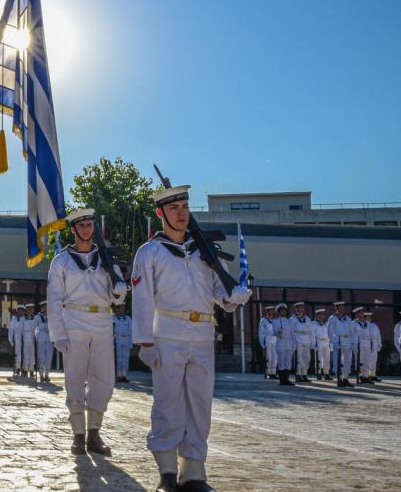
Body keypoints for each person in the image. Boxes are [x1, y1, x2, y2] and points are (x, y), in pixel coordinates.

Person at [131, 184, 251, 492]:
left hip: (202, 334)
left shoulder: (205, 250)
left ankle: (194, 473)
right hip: (167, 333)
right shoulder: (150, 253)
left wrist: (234, 296)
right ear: (160, 213)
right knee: (168, 403)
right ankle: (167, 472)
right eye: (173, 208)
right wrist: (144, 342)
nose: (181, 213)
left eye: (184, 207)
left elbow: (220, 293)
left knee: (200, 404)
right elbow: (142, 298)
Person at [47, 208, 127, 456]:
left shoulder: (106, 258)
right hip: (74, 319)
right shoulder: (61, 260)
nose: (86, 229)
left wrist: (119, 289)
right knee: (75, 378)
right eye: (81, 226)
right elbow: (53, 299)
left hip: (103, 318)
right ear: (73, 229)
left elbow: (120, 293)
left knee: (104, 379)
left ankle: (94, 432)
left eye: (90, 225)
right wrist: (57, 333)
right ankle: (78, 435)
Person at [327, 301, 355, 388]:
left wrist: (353, 342)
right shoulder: (332, 318)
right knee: (337, 361)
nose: (343, 308)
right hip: (338, 340)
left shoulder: (348, 319)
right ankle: (339, 379)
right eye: (341, 307)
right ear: (337, 308)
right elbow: (330, 331)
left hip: (347, 341)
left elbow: (352, 331)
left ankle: (345, 378)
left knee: (347, 361)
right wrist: (334, 341)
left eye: (343, 306)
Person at [289, 302, 313, 383]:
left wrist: (312, 341)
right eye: (300, 307)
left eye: (303, 307)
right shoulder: (293, 319)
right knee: (299, 358)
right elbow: (291, 331)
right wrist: (292, 342)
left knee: (307, 357)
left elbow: (311, 331)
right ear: (296, 309)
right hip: (297, 339)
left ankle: (305, 374)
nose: (302, 309)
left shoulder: (308, 319)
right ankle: (298, 374)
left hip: (306, 339)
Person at [273, 303, 296, 386]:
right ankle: (282, 380)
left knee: (288, 362)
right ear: (279, 312)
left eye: (284, 310)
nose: (283, 312)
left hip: (289, 344)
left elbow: (293, 334)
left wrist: (294, 345)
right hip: (281, 344)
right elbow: (275, 332)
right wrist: (279, 331)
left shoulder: (290, 321)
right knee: (281, 361)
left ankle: (287, 379)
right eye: (281, 310)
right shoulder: (275, 321)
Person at [113, 304, 133, 383]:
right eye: (121, 307)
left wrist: (131, 342)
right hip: (118, 338)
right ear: (117, 308)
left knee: (125, 357)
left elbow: (131, 330)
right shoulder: (113, 318)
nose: (122, 308)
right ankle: (118, 375)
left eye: (123, 307)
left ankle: (124, 375)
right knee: (118, 357)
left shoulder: (128, 318)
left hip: (126, 338)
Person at [258, 307, 278, 380]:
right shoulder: (263, 320)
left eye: (272, 311)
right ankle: (268, 373)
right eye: (270, 311)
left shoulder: (276, 320)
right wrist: (262, 343)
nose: (271, 312)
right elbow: (261, 332)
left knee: (275, 358)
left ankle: (274, 372)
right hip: (268, 339)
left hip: (275, 340)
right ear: (267, 312)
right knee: (268, 357)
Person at [35, 301, 53, 382]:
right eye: (44, 307)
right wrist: (35, 337)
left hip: (49, 338)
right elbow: (33, 326)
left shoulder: (52, 316)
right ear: (42, 308)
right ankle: (41, 374)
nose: (46, 308)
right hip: (41, 337)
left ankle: (47, 375)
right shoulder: (38, 316)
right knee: (41, 356)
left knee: (48, 357)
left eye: (47, 306)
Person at [312, 309, 332, 381]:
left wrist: (330, 344)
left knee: (327, 358)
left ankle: (326, 373)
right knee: (319, 358)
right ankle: (319, 373)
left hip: (326, 342)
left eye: (323, 314)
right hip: (319, 341)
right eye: (320, 314)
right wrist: (314, 344)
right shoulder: (313, 324)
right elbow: (312, 335)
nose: (322, 316)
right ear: (317, 315)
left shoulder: (325, 324)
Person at [21, 303, 37, 378]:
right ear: (26, 310)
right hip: (25, 337)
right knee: (26, 354)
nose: (30, 311)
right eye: (29, 309)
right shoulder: (23, 319)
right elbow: (21, 330)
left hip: (32, 337)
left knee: (32, 355)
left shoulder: (35, 318)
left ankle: (31, 369)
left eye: (32, 309)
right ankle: (25, 369)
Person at [9, 304, 25, 376]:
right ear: (17, 311)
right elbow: (11, 330)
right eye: (19, 310)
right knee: (17, 354)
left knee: (25, 354)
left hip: (24, 338)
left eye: (22, 311)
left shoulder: (25, 319)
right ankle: (17, 368)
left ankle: (24, 368)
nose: (20, 312)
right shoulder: (13, 319)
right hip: (16, 339)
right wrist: (11, 340)